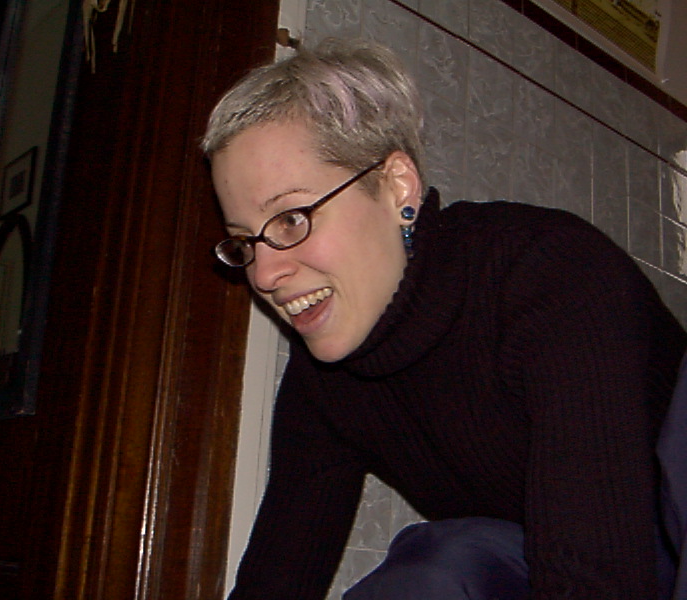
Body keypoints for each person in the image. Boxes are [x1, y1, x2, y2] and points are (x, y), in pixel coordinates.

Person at [201, 37, 687, 599]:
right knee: (436, 571)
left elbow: (595, 575)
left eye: (290, 218)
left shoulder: (547, 274)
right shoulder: (324, 386)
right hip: (582, 564)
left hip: (654, 540)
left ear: (397, 187)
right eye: (245, 243)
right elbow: (275, 580)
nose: (264, 274)